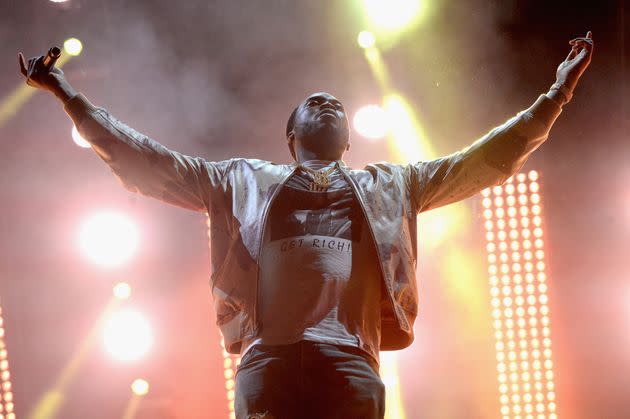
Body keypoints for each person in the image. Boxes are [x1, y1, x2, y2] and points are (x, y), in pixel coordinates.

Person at [18, 31, 593, 419]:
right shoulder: (240, 181)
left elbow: (483, 161)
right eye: (312, 103)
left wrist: (558, 92)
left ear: (346, 138)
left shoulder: (390, 186)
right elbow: (150, 161)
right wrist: (66, 93)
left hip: (349, 359)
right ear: (290, 137)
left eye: (334, 106)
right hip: (269, 356)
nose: (324, 100)